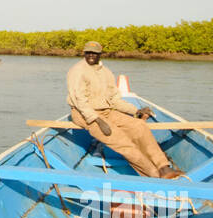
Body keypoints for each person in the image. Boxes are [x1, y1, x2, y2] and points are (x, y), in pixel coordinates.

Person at [66, 41, 182, 179]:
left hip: (106, 111)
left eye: (94, 53)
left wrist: (135, 111)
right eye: (88, 52)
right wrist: (96, 120)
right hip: (84, 114)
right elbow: (79, 101)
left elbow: (115, 100)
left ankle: (164, 167)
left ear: (99, 54)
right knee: (123, 142)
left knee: (139, 126)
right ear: (84, 53)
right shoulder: (77, 71)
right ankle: (154, 175)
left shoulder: (106, 72)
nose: (91, 55)